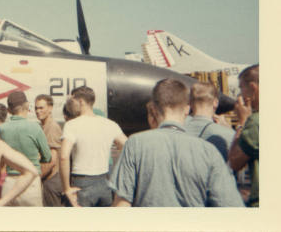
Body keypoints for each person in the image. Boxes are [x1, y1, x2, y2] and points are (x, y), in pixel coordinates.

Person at [109, 79, 244, 207]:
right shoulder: (209, 151)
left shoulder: (135, 144)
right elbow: (230, 206)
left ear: (153, 109)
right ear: (187, 109)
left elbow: (122, 205)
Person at [60, 86, 127, 207]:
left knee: (82, 225)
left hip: (81, 182)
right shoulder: (110, 124)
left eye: (73, 100)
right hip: (105, 181)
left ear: (81, 102)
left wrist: (67, 188)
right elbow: (127, 147)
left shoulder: (71, 125)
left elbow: (64, 156)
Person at [0, 91, 51, 206]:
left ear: (9, 110)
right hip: (31, 184)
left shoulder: (2, 129)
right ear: (27, 106)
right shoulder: (35, 127)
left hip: (10, 184)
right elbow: (47, 157)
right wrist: (37, 161)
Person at [228, 64, 259, 207]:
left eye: (242, 88)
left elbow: (235, 161)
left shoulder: (256, 122)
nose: (240, 95)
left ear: (253, 88)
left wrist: (242, 122)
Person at [185, 82, 235, 161]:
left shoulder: (177, 129)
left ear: (190, 103)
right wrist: (229, 129)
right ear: (215, 102)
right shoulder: (228, 134)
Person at [35, 94, 63, 206]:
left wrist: (35, 179)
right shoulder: (43, 126)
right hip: (48, 180)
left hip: (52, 180)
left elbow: (52, 161)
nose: (38, 111)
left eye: (41, 108)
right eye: (36, 108)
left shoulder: (52, 127)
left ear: (50, 108)